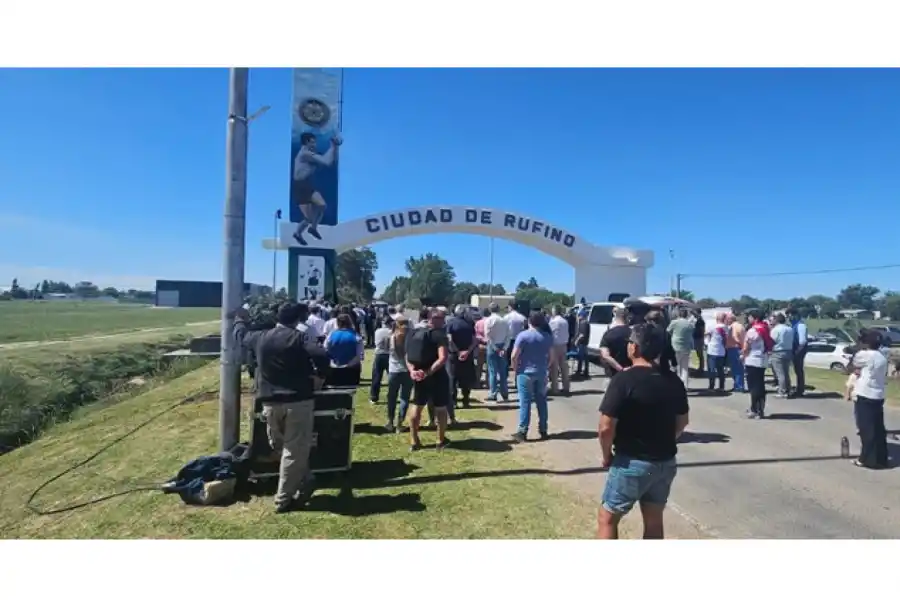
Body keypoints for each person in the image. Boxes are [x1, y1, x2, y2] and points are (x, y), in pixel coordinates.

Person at [232, 302, 328, 513]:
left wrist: (240, 319)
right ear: (297, 320)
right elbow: (321, 355)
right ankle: (296, 487)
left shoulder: (260, 337)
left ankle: (287, 494)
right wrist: (319, 376)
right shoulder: (300, 338)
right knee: (290, 450)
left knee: (282, 447)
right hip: (298, 402)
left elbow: (240, 336)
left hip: (270, 402)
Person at [597, 323, 690, 539]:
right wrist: (664, 439)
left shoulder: (624, 379)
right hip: (665, 461)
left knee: (608, 518)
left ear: (634, 347)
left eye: (630, 342)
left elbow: (605, 426)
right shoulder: (673, 380)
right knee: (654, 520)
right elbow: (683, 421)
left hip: (632, 461)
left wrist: (606, 455)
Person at [405, 308, 452, 450]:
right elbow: (442, 358)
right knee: (441, 408)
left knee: (416, 406)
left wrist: (412, 371)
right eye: (441, 318)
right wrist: (428, 372)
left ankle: (414, 440)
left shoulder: (413, 333)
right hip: (436, 375)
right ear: (433, 319)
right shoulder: (439, 335)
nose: (444, 321)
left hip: (418, 375)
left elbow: (407, 355)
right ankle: (440, 440)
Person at [848, 329, 889, 469]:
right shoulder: (882, 356)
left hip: (865, 394)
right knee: (878, 428)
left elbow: (853, 363)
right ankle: (881, 458)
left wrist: (859, 345)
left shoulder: (865, 355)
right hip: (878, 394)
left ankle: (866, 459)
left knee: (866, 429)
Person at [292, 132, 341, 246]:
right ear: (307, 142)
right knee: (308, 218)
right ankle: (297, 233)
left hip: (308, 185)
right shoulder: (305, 154)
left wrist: (334, 147)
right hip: (300, 187)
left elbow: (328, 161)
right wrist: (333, 146)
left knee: (322, 205)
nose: (315, 144)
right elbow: (326, 161)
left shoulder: (310, 154)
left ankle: (313, 228)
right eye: (313, 142)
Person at [511, 311, 553, 443]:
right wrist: (545, 367)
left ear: (529, 321)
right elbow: (552, 357)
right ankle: (543, 429)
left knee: (525, 402)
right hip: (541, 372)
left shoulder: (523, 336)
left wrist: (515, 368)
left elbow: (514, 356)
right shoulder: (547, 336)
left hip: (525, 372)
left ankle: (523, 431)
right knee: (541, 401)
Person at [446, 305, 478, 412]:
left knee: (453, 378)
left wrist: (458, 351)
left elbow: (449, 340)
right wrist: (467, 352)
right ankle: (466, 400)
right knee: (466, 378)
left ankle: (454, 401)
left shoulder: (450, 323)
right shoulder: (470, 323)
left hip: (454, 355)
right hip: (467, 355)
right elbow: (474, 340)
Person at [385, 316, 413, 433]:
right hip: (407, 370)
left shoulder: (390, 337)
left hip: (394, 370)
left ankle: (390, 422)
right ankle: (400, 424)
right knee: (404, 398)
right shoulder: (410, 338)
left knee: (391, 397)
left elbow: (387, 350)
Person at [742, 309, 769, 419]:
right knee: (760, 385)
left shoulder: (753, 330)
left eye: (750, 317)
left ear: (755, 318)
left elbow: (747, 346)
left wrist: (743, 355)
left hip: (752, 359)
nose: (749, 319)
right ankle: (760, 408)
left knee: (753, 386)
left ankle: (755, 409)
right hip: (763, 358)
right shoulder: (766, 328)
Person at [325, 314, 364, 385]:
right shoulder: (356, 336)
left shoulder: (331, 335)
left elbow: (325, 350)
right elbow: (359, 355)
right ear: (350, 322)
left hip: (334, 368)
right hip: (351, 369)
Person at [484, 302, 511, 402]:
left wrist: (495, 348)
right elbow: (508, 335)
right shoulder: (504, 320)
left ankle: (493, 393)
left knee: (492, 371)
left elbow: (488, 336)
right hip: (503, 345)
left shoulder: (489, 320)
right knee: (503, 371)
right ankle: (504, 393)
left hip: (492, 346)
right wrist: (504, 348)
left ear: (490, 310)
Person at [599, 307, 630, 378]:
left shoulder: (608, 334)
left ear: (616, 317)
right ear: (627, 318)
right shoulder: (633, 333)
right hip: (630, 374)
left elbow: (605, 355)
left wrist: (621, 369)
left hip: (613, 374)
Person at [667, 307, 694, 389]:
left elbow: (668, 331)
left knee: (674, 367)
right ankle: (685, 386)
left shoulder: (674, 322)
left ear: (679, 314)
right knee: (685, 368)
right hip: (686, 347)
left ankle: (674, 386)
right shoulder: (690, 324)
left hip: (676, 347)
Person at [769, 313, 795, 398]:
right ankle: (788, 389)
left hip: (778, 351)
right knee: (786, 372)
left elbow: (772, 341)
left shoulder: (776, 330)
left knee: (780, 373)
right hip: (788, 351)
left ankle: (782, 391)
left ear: (776, 320)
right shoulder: (790, 329)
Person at [368, 316, 393, 404]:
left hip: (379, 354)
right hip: (389, 354)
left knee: (376, 377)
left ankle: (374, 397)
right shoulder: (392, 332)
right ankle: (391, 396)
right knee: (391, 377)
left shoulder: (377, 331)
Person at [548, 305, 571, 395]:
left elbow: (550, 332)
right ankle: (566, 387)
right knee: (564, 367)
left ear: (554, 311)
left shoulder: (553, 321)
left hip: (555, 345)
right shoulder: (565, 321)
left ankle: (555, 388)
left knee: (554, 368)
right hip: (564, 345)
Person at [786, 308, 809, 397]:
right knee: (797, 370)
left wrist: (797, 352)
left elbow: (802, 341)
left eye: (789, 315)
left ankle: (800, 389)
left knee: (799, 370)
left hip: (799, 350)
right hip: (796, 349)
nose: (788, 317)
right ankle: (800, 388)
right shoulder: (793, 325)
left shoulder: (800, 326)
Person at [504, 303, 528, 381]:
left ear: (510, 307)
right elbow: (525, 329)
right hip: (519, 341)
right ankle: (517, 380)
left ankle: (505, 380)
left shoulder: (506, 317)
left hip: (508, 340)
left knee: (505, 362)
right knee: (518, 361)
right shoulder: (522, 317)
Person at [705, 313, 728, 391]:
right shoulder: (726, 328)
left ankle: (711, 386)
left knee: (711, 369)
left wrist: (707, 343)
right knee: (720, 369)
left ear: (717, 319)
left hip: (712, 350)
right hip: (721, 351)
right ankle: (721, 386)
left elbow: (707, 336)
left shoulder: (712, 327)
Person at [725, 314, 746, 393]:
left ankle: (739, 386)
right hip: (738, 348)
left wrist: (738, 343)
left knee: (736, 369)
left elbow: (734, 336)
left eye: (727, 319)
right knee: (738, 368)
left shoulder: (732, 327)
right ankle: (738, 385)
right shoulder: (741, 326)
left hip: (734, 348)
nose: (726, 321)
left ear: (730, 319)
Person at [573, 309, 592, 378]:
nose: (577, 317)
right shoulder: (586, 323)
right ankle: (585, 371)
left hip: (582, 343)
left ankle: (580, 371)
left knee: (581, 357)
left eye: (578, 315)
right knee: (585, 358)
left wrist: (576, 341)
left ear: (582, 316)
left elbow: (582, 334)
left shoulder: (583, 323)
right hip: (584, 343)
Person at [474, 307, 488, 388]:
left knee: (479, 366)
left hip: (480, 345)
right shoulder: (491, 322)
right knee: (489, 367)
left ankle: (477, 383)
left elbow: (475, 335)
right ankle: (488, 383)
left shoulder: (478, 323)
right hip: (490, 345)